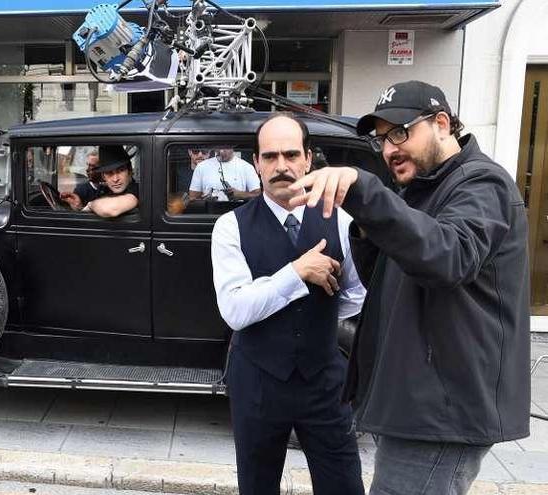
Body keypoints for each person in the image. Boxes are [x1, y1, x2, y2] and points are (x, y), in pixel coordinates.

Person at [289, 81, 530, 494]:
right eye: (382, 139)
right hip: (417, 403)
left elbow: (449, 256)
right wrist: (367, 228)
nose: (388, 149)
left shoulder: (482, 184)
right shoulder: (423, 191)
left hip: (441, 410)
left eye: (400, 132)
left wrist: (367, 193)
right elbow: (389, 282)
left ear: (442, 124)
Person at [211, 112, 366, 495]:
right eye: (270, 156)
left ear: (308, 159)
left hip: (324, 377)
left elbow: (354, 297)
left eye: (291, 154)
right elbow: (235, 310)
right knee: (258, 485)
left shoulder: (341, 219)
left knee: (344, 484)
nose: (282, 166)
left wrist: (312, 317)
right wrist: (296, 273)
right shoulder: (230, 226)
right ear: (256, 163)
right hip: (258, 380)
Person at [61, 146, 138, 218]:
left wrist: (91, 205)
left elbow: (110, 210)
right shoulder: (104, 191)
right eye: (109, 173)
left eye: (120, 171)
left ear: (130, 171)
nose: (115, 179)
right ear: (103, 176)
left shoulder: (137, 190)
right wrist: (79, 206)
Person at [189, 147, 260, 201]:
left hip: (237, 215)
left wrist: (240, 195)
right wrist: (205, 200)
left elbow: (258, 196)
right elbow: (193, 197)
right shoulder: (201, 167)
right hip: (209, 215)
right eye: (219, 147)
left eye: (225, 147)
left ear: (232, 147)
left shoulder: (247, 167)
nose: (221, 151)